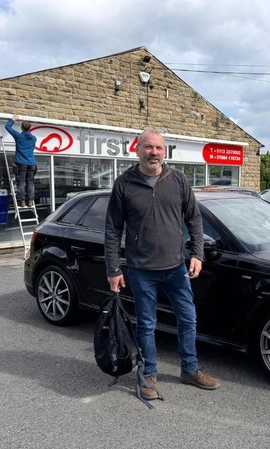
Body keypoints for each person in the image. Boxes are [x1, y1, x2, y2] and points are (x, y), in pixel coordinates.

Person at [104, 129, 221, 401]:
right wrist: (113, 269)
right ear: (137, 149)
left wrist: (197, 254)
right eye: (148, 147)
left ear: (164, 152)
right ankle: (149, 374)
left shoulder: (178, 179)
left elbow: (194, 219)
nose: (153, 152)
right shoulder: (124, 183)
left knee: (188, 318)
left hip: (175, 267)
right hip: (141, 269)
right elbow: (112, 230)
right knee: (146, 324)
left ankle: (189, 369)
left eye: (158, 148)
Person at [5, 115, 37, 208]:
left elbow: (7, 127)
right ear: (30, 128)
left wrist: (13, 119)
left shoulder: (19, 136)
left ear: (21, 127)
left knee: (21, 182)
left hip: (21, 164)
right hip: (32, 163)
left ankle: (22, 202)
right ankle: (30, 201)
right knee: (30, 182)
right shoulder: (34, 138)